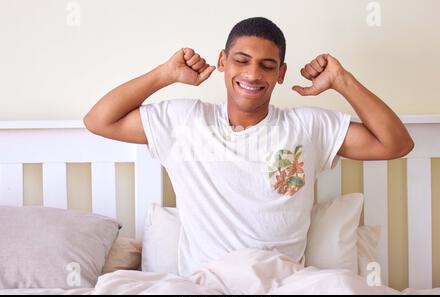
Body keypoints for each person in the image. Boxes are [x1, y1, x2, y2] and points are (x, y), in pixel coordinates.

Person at [84, 17, 414, 277]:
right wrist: (165, 74)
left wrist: (342, 80)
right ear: (222, 62)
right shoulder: (184, 121)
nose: (253, 74)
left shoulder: (308, 127)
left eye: (267, 65)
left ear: (281, 74)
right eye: (242, 60)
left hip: (283, 283)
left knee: (342, 287)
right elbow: (99, 120)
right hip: (204, 284)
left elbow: (396, 144)